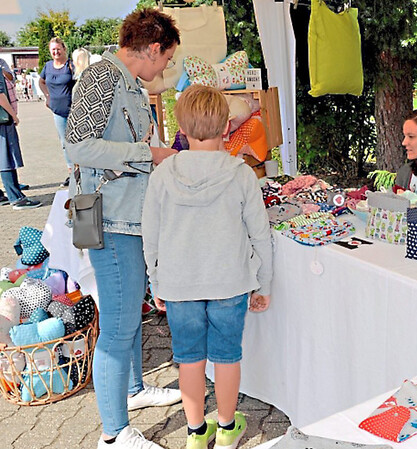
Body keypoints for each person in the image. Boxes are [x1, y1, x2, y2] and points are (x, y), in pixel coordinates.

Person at [65, 9, 182, 449]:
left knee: (129, 311)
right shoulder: (101, 77)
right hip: (108, 217)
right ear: (153, 48)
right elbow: (76, 146)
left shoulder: (127, 82)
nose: (165, 68)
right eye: (166, 59)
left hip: (125, 215)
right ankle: (113, 434)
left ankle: (133, 391)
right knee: (117, 323)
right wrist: (148, 154)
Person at [142, 84, 273, 449]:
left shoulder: (163, 174)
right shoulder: (241, 174)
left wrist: (157, 284)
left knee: (189, 360)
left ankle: (197, 432)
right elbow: (260, 236)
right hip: (230, 283)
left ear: (180, 128)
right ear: (227, 127)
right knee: (227, 358)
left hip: (180, 286)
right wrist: (263, 284)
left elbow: (149, 238)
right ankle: (229, 427)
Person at [0, 61, 40, 209]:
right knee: (6, 158)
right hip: (3, 120)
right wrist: (13, 115)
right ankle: (16, 198)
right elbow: (0, 95)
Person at [39, 37, 76, 186]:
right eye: (53, 49)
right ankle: (71, 172)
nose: (56, 52)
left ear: (64, 49)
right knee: (64, 142)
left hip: (73, 109)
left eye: (58, 49)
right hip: (57, 111)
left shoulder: (71, 65)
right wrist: (47, 96)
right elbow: (41, 81)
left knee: (76, 141)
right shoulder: (47, 66)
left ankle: (80, 170)